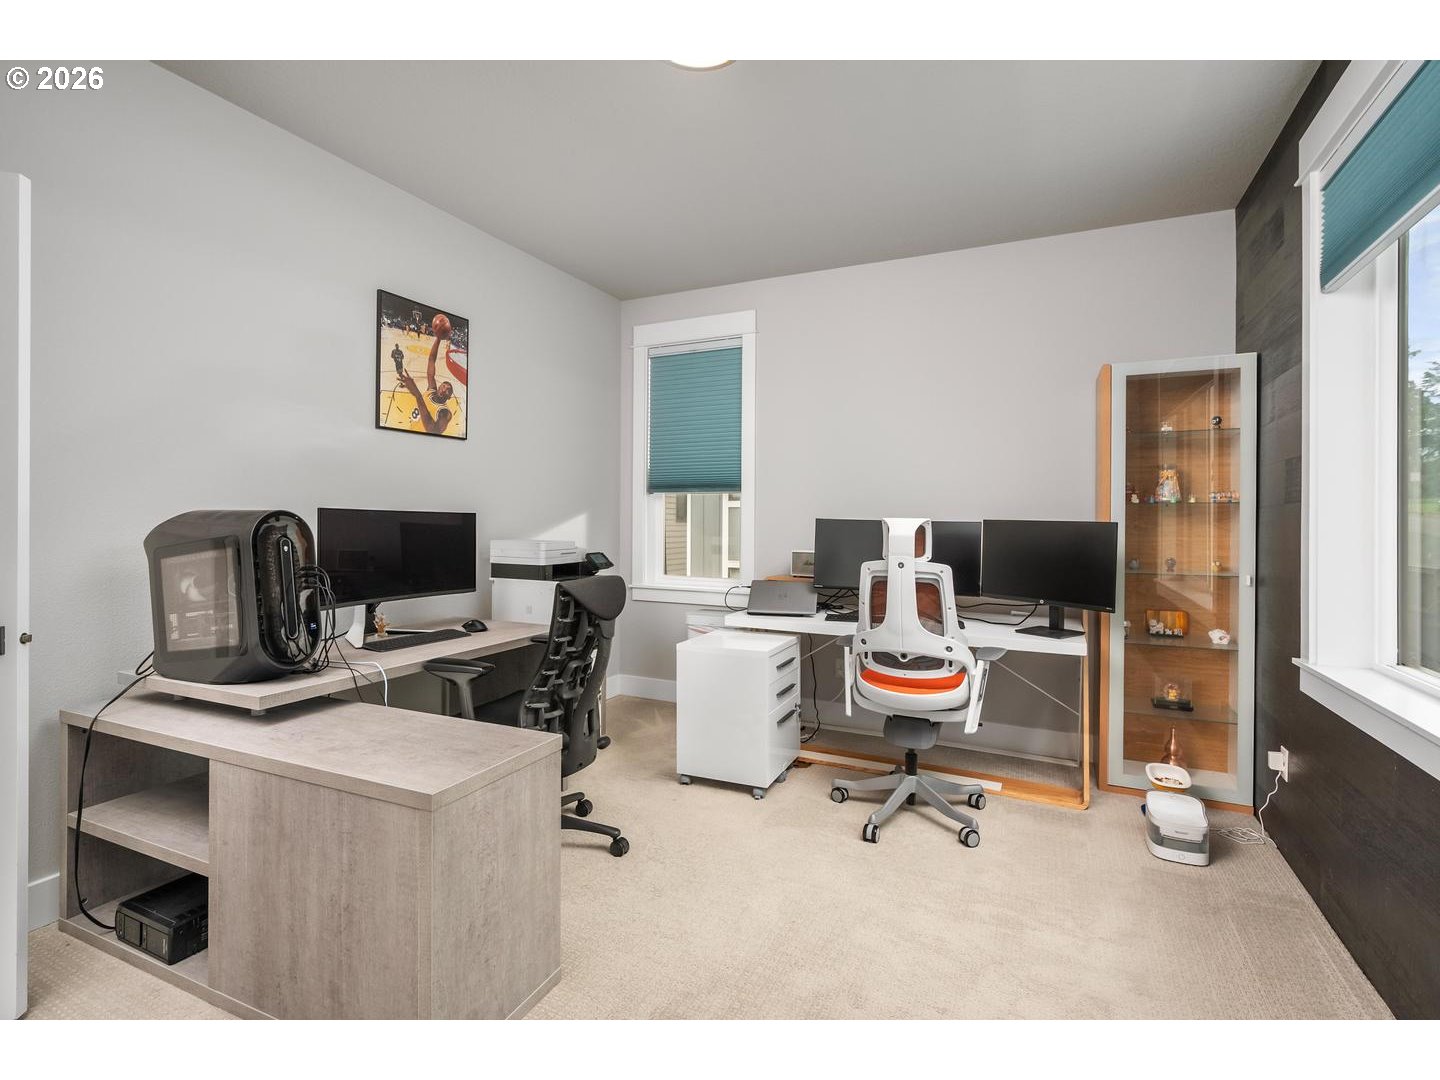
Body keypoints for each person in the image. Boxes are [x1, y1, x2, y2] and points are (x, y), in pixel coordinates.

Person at [393, 321, 459, 435]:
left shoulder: (444, 412)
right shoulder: (431, 390)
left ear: (449, 397)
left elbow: (434, 431)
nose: (445, 389)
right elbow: (431, 360)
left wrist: (418, 395)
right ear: (438, 387)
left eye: (448, 390)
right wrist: (438, 339)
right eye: (444, 386)